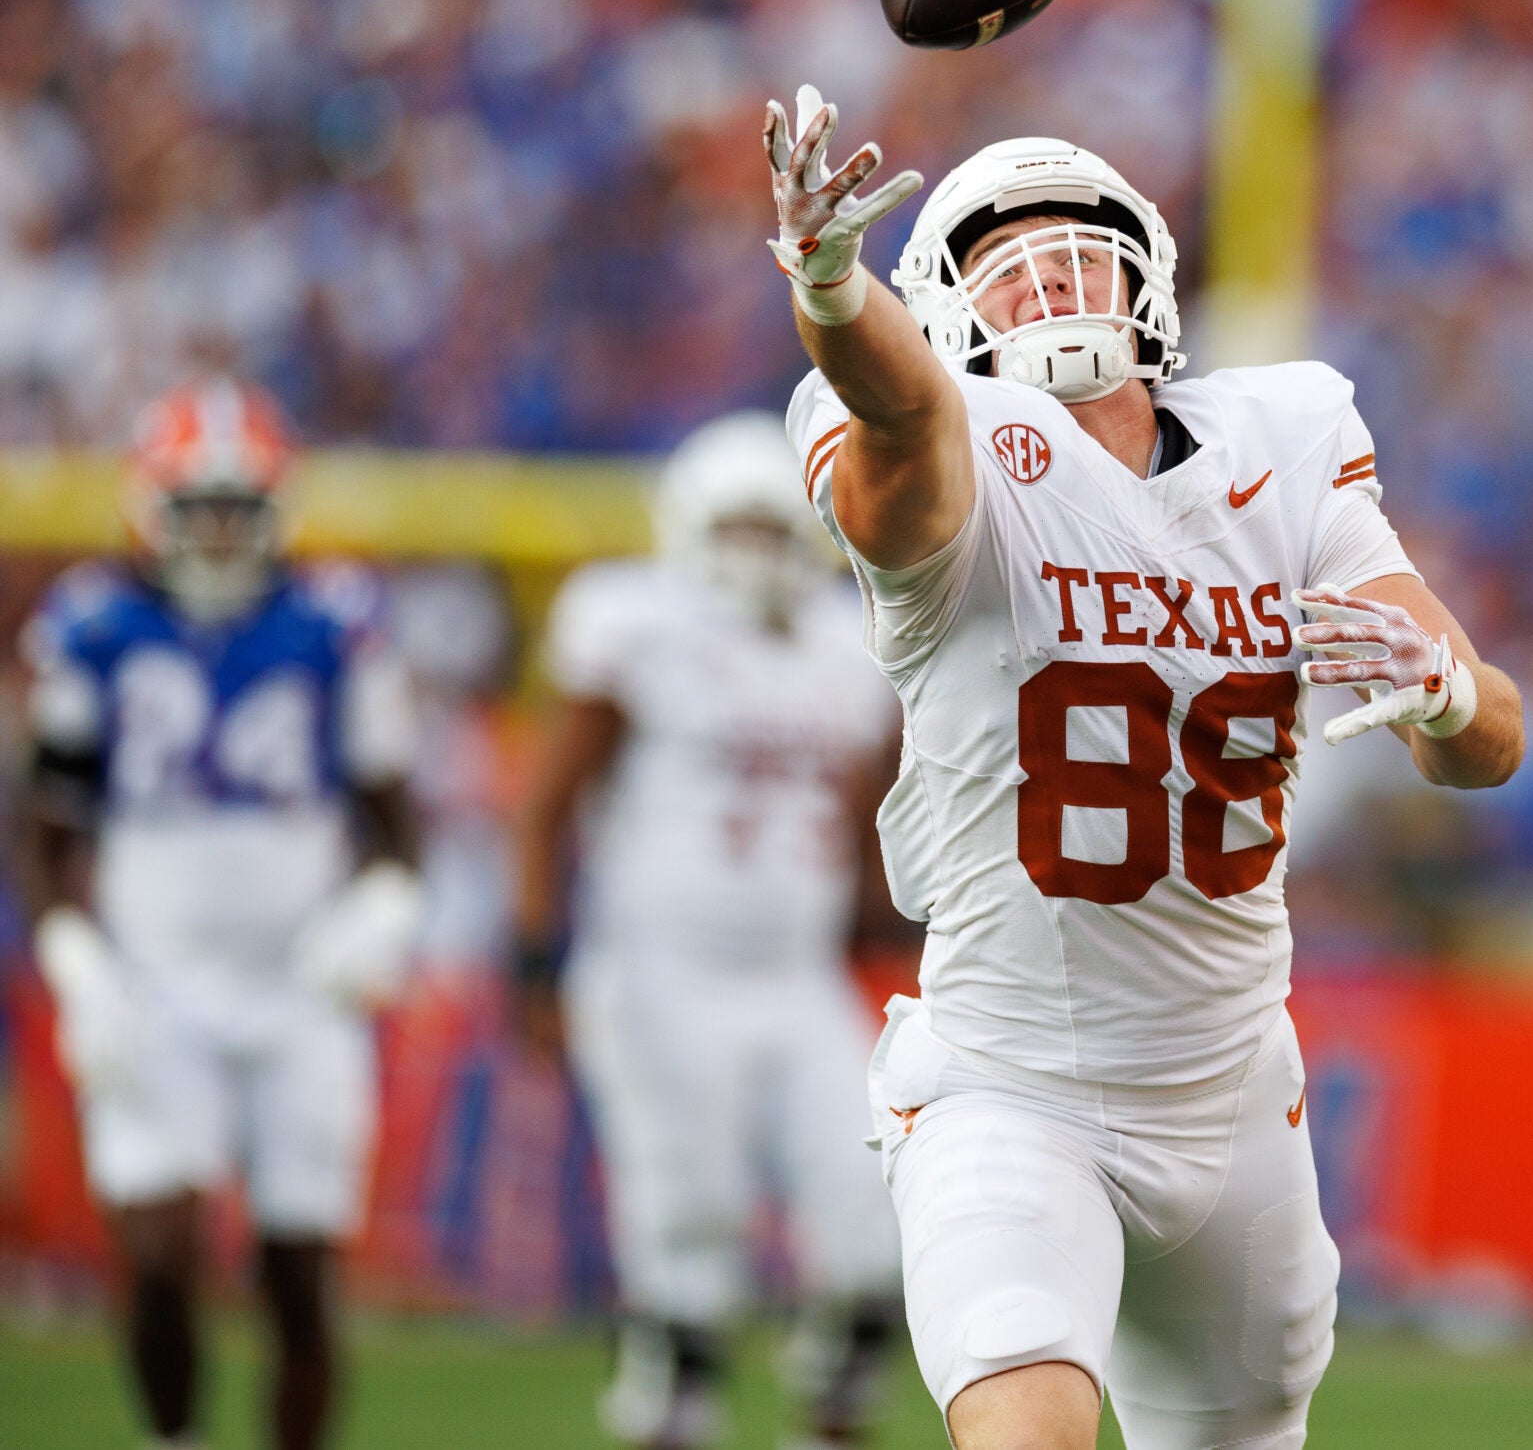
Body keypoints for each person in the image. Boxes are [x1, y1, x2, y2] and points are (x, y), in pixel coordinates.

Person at [756, 87, 1526, 1450]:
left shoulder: (1277, 442)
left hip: (1231, 1087)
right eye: (1006, 262)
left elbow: (1483, 743)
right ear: (944, 314)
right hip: (1012, 1079)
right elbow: (900, 444)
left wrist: (1449, 695)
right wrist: (832, 290)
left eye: (1078, 245)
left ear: (1151, 274)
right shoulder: (957, 448)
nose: (1052, 278)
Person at [18, 377, 424, 1450]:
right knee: (155, 1255)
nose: (216, 533)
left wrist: (384, 903)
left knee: (300, 1274)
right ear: (151, 510)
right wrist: (75, 960)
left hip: (300, 988)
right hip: (154, 984)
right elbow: (47, 822)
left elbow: (394, 813)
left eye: (236, 510)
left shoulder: (333, 622)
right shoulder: (93, 624)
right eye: (196, 509)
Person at [514, 411, 907, 1450]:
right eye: (732, 528)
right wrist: (534, 957)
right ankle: (667, 1423)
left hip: (796, 973)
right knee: (689, 1238)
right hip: (658, 972)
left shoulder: (846, 643)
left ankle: (826, 1424)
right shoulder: (633, 622)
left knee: (878, 1225)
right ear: (685, 527)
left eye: (771, 531)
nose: (752, 554)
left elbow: (873, 825)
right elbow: (550, 804)